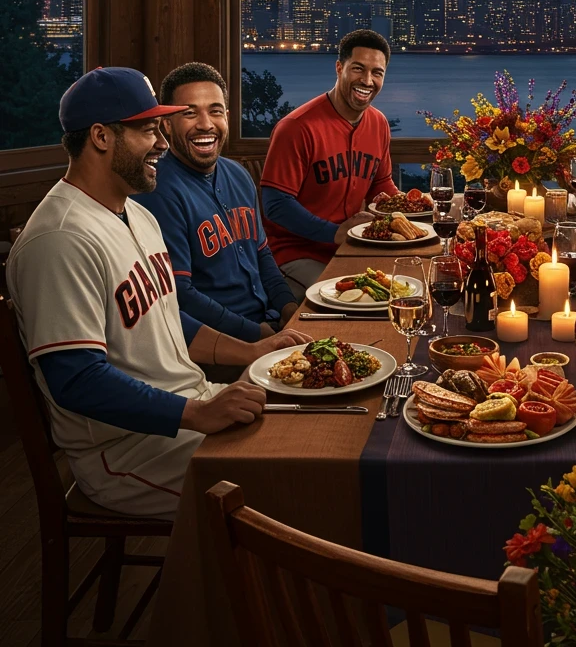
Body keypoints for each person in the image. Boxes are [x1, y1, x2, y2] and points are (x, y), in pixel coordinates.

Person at [6, 67, 309, 519]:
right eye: (148, 130)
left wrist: (251, 352)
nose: (163, 143)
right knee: (298, 485)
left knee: (312, 432)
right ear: (101, 137)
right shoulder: (60, 239)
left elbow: (167, 316)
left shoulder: (135, 213)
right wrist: (197, 414)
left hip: (189, 402)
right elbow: (76, 380)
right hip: (126, 449)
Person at [132, 63, 299, 342]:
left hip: (267, 324)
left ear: (227, 117)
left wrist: (289, 308)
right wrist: (255, 335)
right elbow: (179, 294)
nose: (206, 124)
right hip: (220, 343)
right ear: (167, 124)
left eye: (215, 111)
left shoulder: (239, 174)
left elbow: (262, 255)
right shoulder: (157, 190)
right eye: (189, 113)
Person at [261, 29, 400, 300]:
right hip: (296, 253)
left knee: (405, 285)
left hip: (351, 247)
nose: (367, 80)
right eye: (358, 69)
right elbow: (275, 204)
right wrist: (333, 233)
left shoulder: (379, 123)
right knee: (363, 299)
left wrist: (411, 212)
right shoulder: (296, 127)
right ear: (339, 68)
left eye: (377, 72)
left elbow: (381, 185)